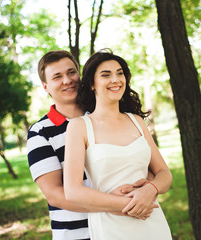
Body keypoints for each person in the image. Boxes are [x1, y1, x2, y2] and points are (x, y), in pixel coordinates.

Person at [27, 50, 157, 240]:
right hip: (79, 234)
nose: (67, 80)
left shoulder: (108, 116)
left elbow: (145, 166)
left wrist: (144, 194)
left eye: (71, 72)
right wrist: (118, 205)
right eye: (57, 77)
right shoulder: (40, 132)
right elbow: (54, 194)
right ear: (45, 86)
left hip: (126, 227)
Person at [63, 49, 173, 240]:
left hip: (151, 219)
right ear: (91, 84)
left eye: (120, 73)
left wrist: (150, 190)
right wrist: (124, 205)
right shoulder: (79, 127)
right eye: (106, 75)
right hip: (111, 226)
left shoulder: (137, 121)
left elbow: (164, 173)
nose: (115, 79)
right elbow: (72, 191)